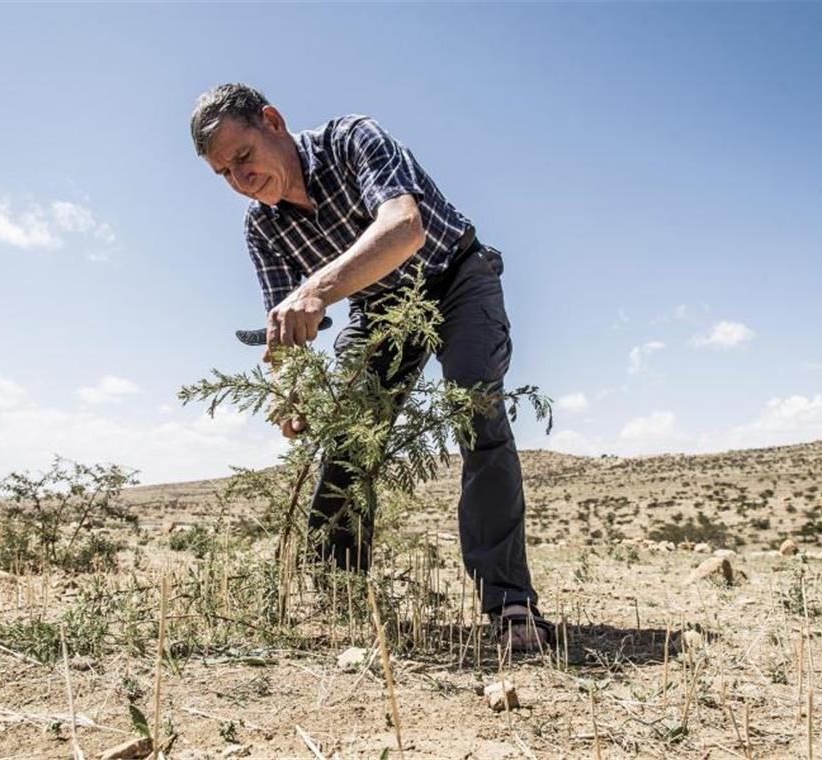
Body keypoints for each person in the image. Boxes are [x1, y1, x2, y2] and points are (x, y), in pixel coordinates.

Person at [190, 83, 554, 652]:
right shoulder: (261, 228)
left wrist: (316, 289)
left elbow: (404, 229)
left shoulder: (351, 139)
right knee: (349, 435)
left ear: (273, 122)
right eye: (224, 175)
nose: (241, 180)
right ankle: (341, 596)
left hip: (456, 276)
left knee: (476, 415)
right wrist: (289, 390)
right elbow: (284, 327)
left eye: (243, 157)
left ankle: (510, 604)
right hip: (380, 309)